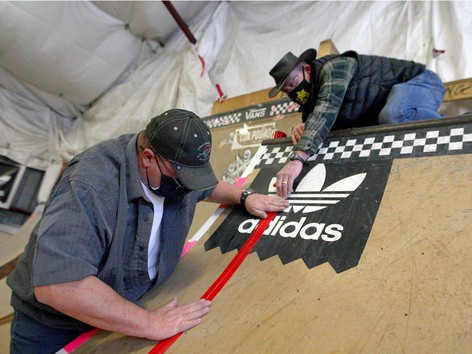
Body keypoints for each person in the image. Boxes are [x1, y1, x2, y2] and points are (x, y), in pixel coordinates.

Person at [7, 108, 289, 354]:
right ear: (147, 158)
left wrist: (244, 196)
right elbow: (58, 285)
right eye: (180, 178)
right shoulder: (91, 186)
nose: (186, 187)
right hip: (55, 324)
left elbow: (203, 187)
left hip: (127, 302)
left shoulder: (172, 168)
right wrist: (150, 323)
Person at [268, 48, 446, 198]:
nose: (292, 91)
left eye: (293, 83)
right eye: (287, 90)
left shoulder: (336, 67)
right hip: (391, 103)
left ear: (306, 69)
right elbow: (313, 122)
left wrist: (297, 159)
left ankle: (457, 128)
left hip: (422, 81)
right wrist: (300, 127)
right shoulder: (311, 96)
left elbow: (326, 107)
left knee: (393, 116)